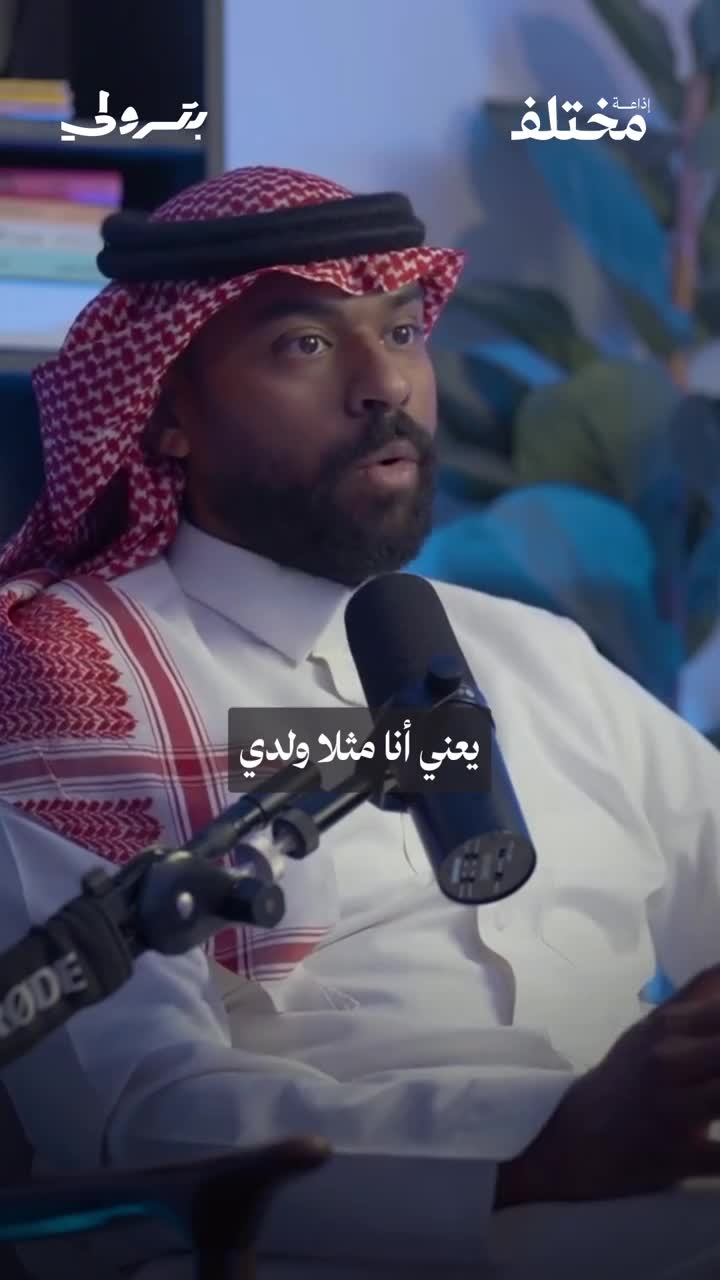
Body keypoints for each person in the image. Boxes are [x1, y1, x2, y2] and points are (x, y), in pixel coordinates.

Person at [1, 165, 720, 1279]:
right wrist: (542, 1143)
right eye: (305, 343)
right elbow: (140, 1107)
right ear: (167, 412)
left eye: (401, 330)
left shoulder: (536, 653)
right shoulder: (72, 672)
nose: (385, 382)